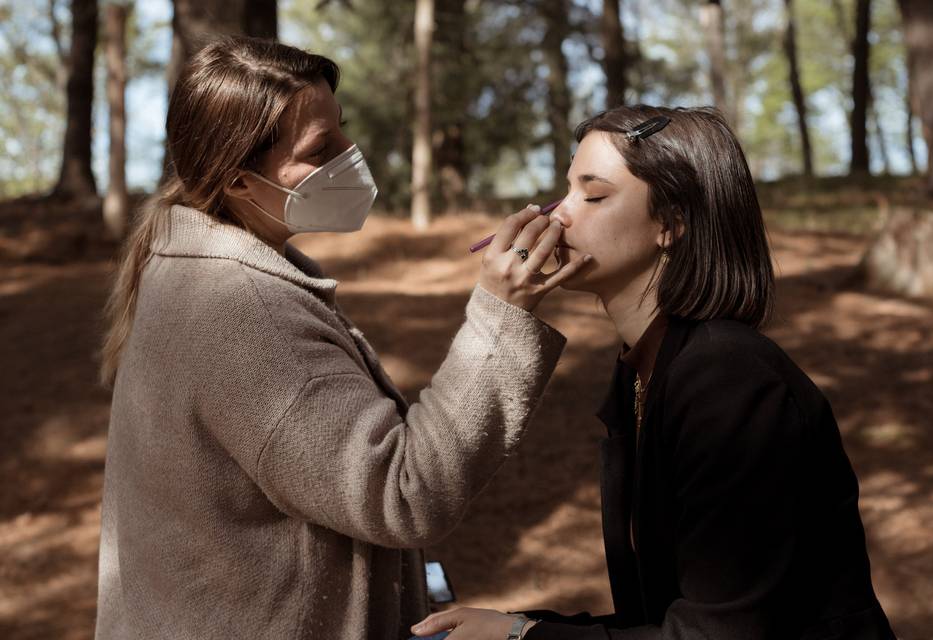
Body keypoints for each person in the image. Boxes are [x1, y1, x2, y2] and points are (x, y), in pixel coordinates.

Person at [94, 37, 591, 640]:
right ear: (240, 183)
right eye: (320, 149)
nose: (350, 156)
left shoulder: (196, 269)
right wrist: (502, 311)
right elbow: (405, 492)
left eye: (343, 132)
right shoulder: (240, 311)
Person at [411, 106, 896, 639]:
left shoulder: (730, 380)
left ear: (672, 223)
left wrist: (521, 637)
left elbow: (720, 632)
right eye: (566, 191)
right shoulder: (645, 369)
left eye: (593, 195)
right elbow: (667, 614)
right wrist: (519, 625)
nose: (559, 216)